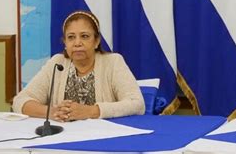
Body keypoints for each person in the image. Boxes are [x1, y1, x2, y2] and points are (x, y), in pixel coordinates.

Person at [13, 10, 145, 121]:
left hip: (103, 137)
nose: (77, 43)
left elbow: (137, 104)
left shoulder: (113, 62)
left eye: (84, 36)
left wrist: (91, 111)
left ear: (97, 41)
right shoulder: (57, 63)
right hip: (62, 138)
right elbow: (20, 101)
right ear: (65, 42)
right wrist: (53, 112)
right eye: (71, 37)